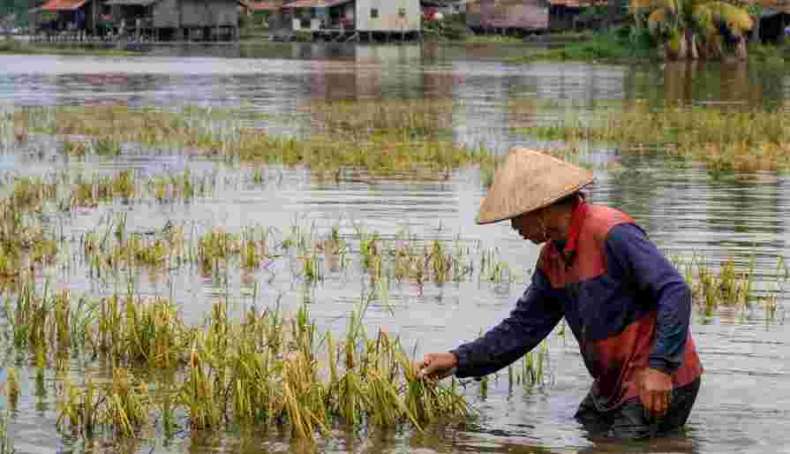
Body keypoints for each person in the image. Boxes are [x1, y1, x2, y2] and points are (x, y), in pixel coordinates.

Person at [418, 148, 703, 439]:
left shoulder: (612, 232)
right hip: (613, 384)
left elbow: (674, 290)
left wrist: (661, 368)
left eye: (516, 217)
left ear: (541, 208)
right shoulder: (553, 259)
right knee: (589, 430)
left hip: (655, 380)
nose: (514, 227)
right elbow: (521, 329)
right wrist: (457, 359)